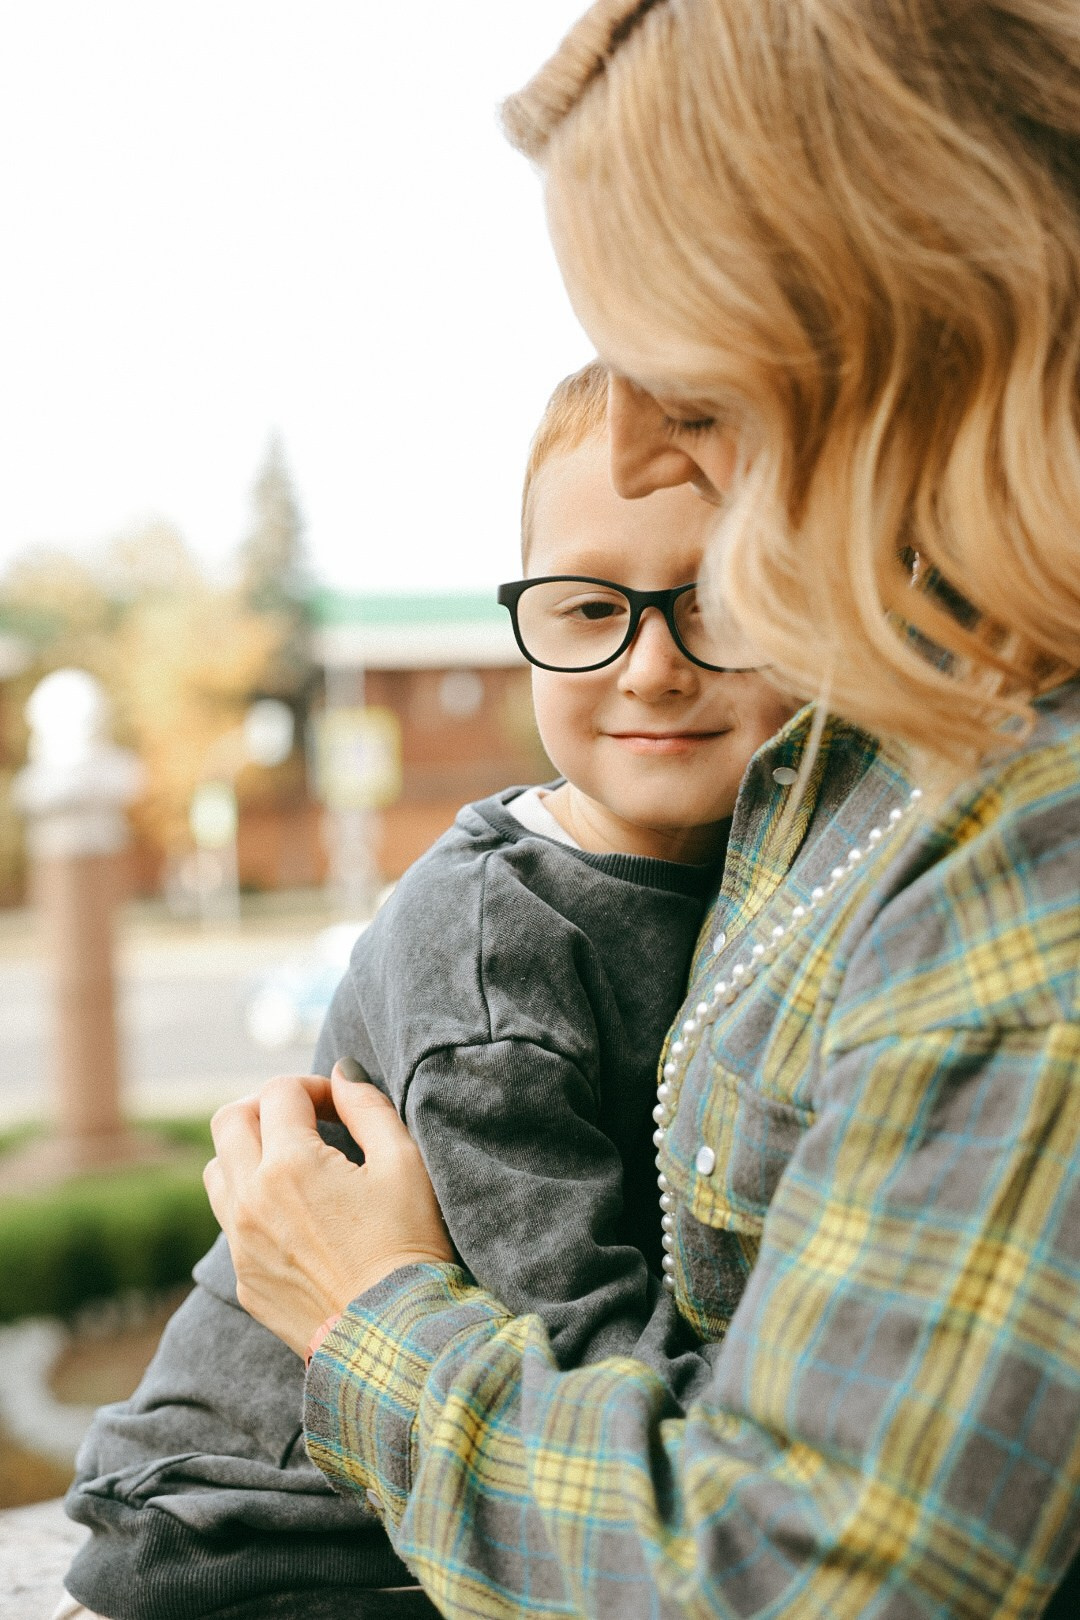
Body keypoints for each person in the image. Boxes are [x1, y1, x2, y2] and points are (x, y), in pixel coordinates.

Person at [201, 2, 1080, 1617]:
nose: (628, 436)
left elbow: (817, 1581)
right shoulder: (870, 732)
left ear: (919, 309)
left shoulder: (1037, 847)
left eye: (679, 363)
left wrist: (368, 1310)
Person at [59, 361, 796, 1620]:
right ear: (525, 620)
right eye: (584, 610)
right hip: (255, 1519)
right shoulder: (490, 949)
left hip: (434, 1475)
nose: (655, 666)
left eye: (715, 603)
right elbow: (571, 1333)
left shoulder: (769, 866)